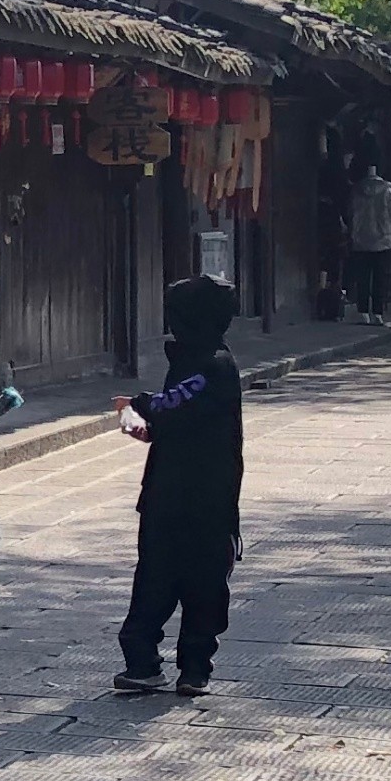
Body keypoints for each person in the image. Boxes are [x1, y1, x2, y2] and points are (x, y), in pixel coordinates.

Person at [114, 275, 245, 697]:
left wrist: (140, 404)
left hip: (204, 500)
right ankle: (142, 663)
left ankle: (194, 668)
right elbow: (181, 418)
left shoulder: (213, 364)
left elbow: (177, 404)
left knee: (202, 584)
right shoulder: (192, 357)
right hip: (167, 496)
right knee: (154, 579)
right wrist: (149, 426)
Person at [345, 166, 391, 324]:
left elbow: (352, 214)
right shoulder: (387, 191)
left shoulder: (356, 192)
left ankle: (363, 311)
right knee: (380, 278)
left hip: (361, 241)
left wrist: (353, 233)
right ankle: (378, 312)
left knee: (362, 278)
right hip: (383, 240)